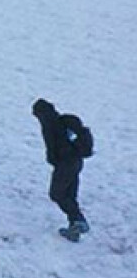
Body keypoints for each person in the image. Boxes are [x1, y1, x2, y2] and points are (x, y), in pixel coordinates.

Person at [32, 99, 90, 241]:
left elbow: (53, 146)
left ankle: (78, 220)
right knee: (69, 195)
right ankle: (74, 228)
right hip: (76, 161)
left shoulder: (50, 125)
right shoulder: (65, 121)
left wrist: (54, 158)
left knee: (57, 193)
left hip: (66, 164)